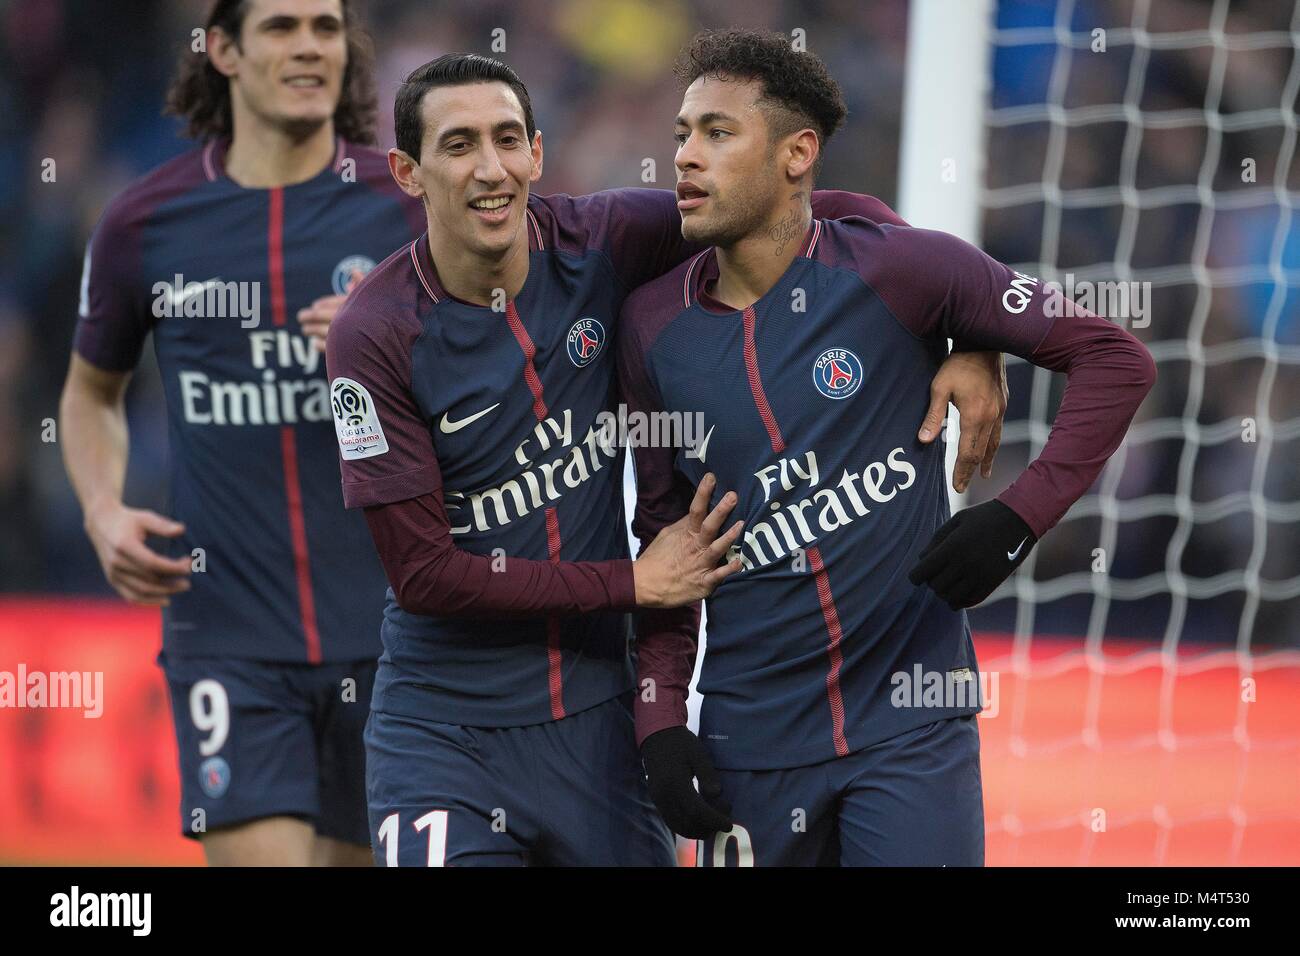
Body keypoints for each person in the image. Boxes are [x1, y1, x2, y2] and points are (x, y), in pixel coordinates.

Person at [325, 52, 1010, 866]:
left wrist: (975, 330)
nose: (491, 168)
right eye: (459, 145)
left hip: (597, 728)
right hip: (444, 733)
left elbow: (805, 212)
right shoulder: (373, 335)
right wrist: (634, 582)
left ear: (538, 154)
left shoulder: (603, 240)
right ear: (409, 171)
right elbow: (424, 577)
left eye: (508, 140)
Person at [618, 29, 1157, 866]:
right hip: (748, 740)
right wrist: (658, 722)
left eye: (717, 133)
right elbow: (664, 547)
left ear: (799, 152)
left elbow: (1116, 358)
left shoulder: (903, 272)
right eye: (682, 134)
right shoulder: (651, 329)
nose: (684, 156)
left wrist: (1016, 516)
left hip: (912, 723)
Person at [59, 0, 426, 866]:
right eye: (282, 26)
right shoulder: (143, 222)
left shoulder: (411, 206)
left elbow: (509, 365)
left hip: (395, 637)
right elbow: (88, 395)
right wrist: (102, 509)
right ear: (222, 49)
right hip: (226, 637)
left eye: (326, 28)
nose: (309, 46)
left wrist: (400, 341)